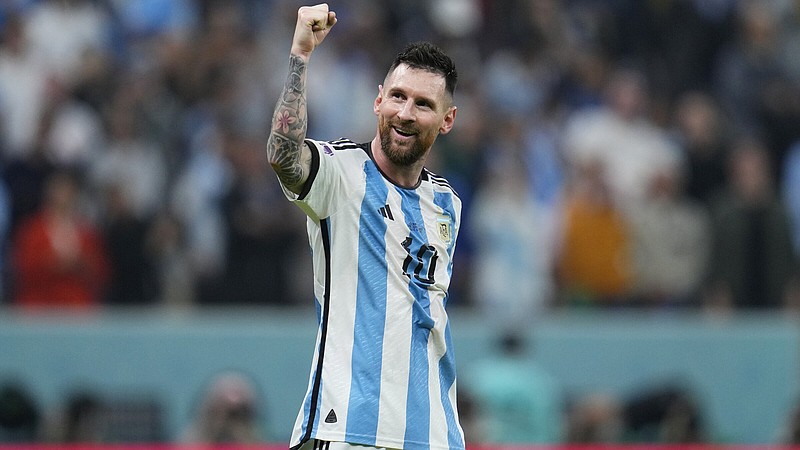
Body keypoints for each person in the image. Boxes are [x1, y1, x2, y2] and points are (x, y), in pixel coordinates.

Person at [266, 4, 464, 450]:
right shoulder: (339, 173)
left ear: (447, 120)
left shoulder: (447, 204)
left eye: (423, 104)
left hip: (433, 437)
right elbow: (282, 157)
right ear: (378, 99)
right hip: (344, 432)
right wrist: (300, 55)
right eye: (398, 96)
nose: (406, 113)